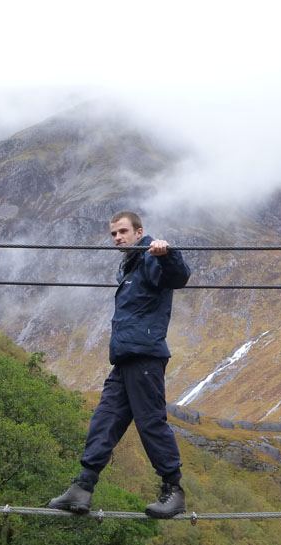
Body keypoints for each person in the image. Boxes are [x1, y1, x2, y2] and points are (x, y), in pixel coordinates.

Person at [49, 211, 191, 518]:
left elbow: (178, 277)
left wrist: (167, 254)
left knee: (150, 421)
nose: (117, 238)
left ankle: (173, 490)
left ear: (139, 232)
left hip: (144, 356)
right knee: (105, 419)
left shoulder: (151, 256)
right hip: (126, 357)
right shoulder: (129, 265)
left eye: (123, 231)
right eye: (113, 233)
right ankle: (83, 487)